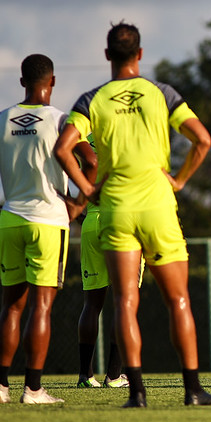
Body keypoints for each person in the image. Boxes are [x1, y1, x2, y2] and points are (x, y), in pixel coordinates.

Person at [54, 21, 211, 407]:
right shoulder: (161, 93)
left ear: (108, 55)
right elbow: (203, 139)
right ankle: (193, 390)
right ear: (141, 54)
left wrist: (88, 189)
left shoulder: (91, 99)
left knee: (123, 302)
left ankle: (137, 393)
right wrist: (179, 180)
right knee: (178, 300)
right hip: (158, 207)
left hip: (115, 209)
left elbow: (64, 148)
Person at [0, 53, 91, 404]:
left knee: (11, 307)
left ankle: (0, 387)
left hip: (11, 219)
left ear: (22, 82)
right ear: (53, 82)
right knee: (42, 307)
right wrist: (78, 203)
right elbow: (91, 160)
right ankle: (33, 389)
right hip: (48, 222)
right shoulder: (63, 121)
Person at [73, 133, 144, 389]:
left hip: (92, 220)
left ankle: (85, 376)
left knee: (91, 304)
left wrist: (79, 213)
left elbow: (68, 168)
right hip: (122, 221)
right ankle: (114, 376)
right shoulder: (133, 138)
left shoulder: (87, 139)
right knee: (124, 302)